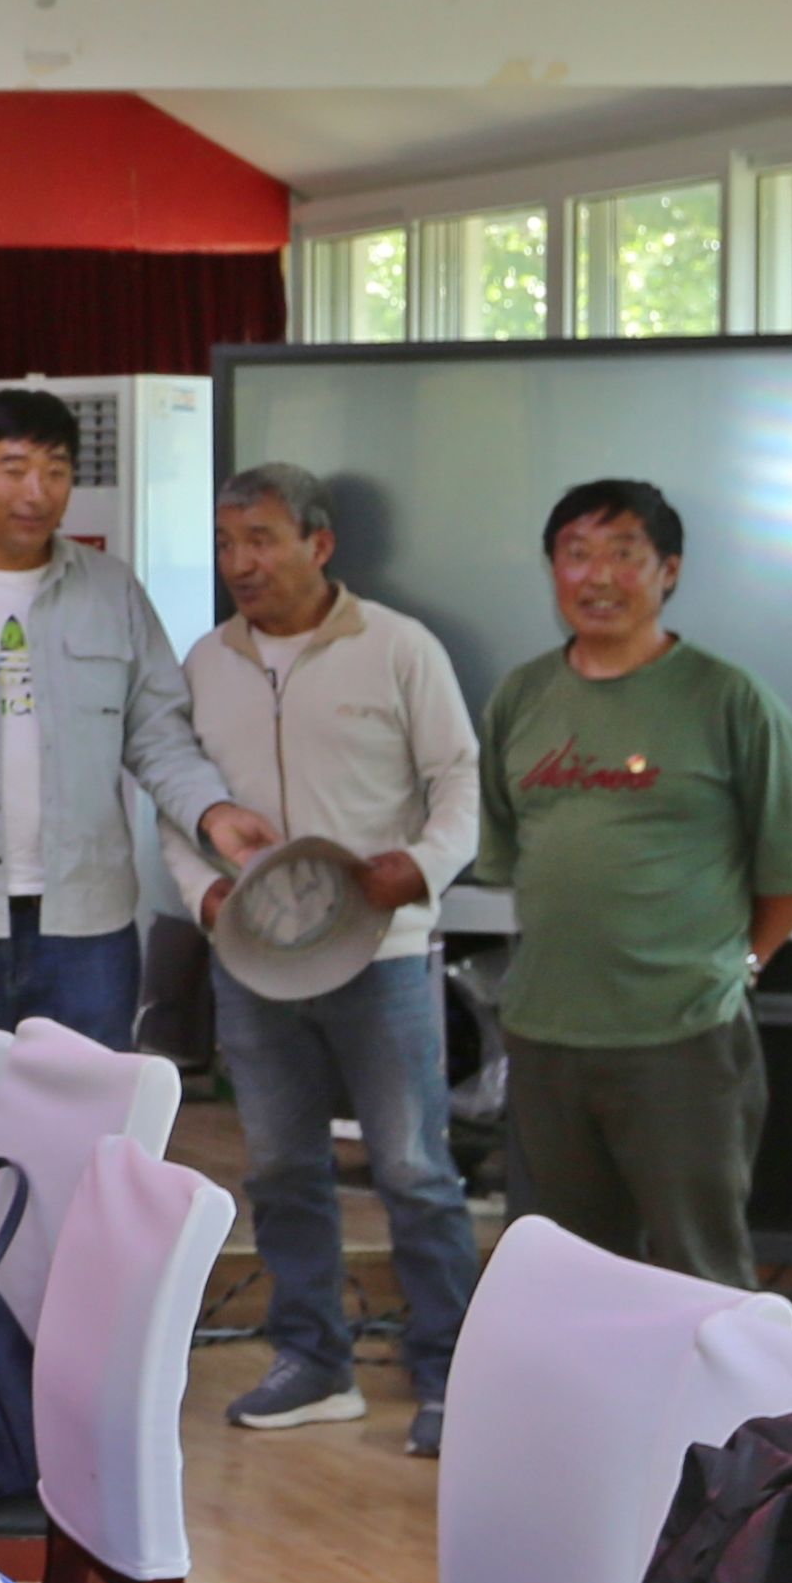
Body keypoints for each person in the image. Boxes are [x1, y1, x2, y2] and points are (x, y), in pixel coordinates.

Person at [169, 465, 484, 1452]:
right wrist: (201, 893)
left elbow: (459, 781)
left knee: (413, 1168)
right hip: (253, 959)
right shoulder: (205, 660)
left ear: (319, 543)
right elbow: (178, 803)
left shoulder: (396, 646)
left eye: (260, 539)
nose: (240, 563)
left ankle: (452, 1376)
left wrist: (420, 867)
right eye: (226, 543)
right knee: (280, 1168)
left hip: (381, 954)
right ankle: (313, 1361)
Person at [477, 478, 792, 1291]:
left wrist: (742, 965)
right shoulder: (522, 697)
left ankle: (720, 1388)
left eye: (623, 554)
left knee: (699, 1271)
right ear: (553, 569)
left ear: (668, 571)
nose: (598, 576)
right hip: (546, 1035)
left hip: (682, 1039)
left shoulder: (728, 699)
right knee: (573, 1272)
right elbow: (507, 848)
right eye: (577, 554)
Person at [0, 388, 269, 1047]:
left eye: (57, 471)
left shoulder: (112, 590)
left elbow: (159, 736)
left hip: (88, 925)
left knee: (88, 1104)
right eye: (14, 470)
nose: (36, 493)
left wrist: (213, 812)